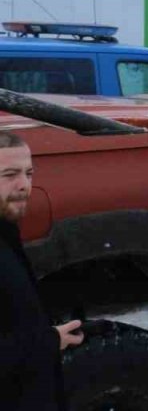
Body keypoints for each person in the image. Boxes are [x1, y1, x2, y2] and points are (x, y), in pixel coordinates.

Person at [0, 132, 83, 411]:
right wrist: (48, 342)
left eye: (29, 173)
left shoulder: (6, 234)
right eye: (9, 174)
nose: (24, 185)